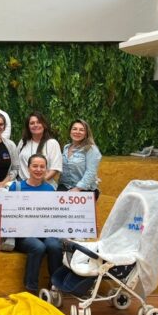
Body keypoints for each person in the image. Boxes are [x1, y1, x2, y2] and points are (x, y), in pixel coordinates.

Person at [8, 154, 62, 294]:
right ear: (28, 168)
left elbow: (54, 215)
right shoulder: (16, 187)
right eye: (35, 166)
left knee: (55, 246)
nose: (38, 169)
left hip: (45, 232)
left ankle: (55, 286)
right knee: (38, 247)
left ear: (46, 169)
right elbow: (8, 213)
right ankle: (30, 289)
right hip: (23, 234)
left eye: (42, 166)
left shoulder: (50, 189)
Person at [16, 111, 62, 188]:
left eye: (38, 122)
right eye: (32, 123)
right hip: (23, 186)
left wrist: (37, 184)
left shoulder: (52, 143)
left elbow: (55, 168)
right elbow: (17, 163)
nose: (35, 125)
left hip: (45, 185)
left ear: (44, 125)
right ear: (28, 126)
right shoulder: (23, 142)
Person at [59, 119, 102, 198]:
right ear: (70, 131)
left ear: (86, 133)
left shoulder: (91, 149)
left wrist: (78, 188)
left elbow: (91, 172)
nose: (77, 132)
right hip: (65, 187)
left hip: (85, 190)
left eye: (81, 130)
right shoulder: (66, 147)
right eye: (74, 129)